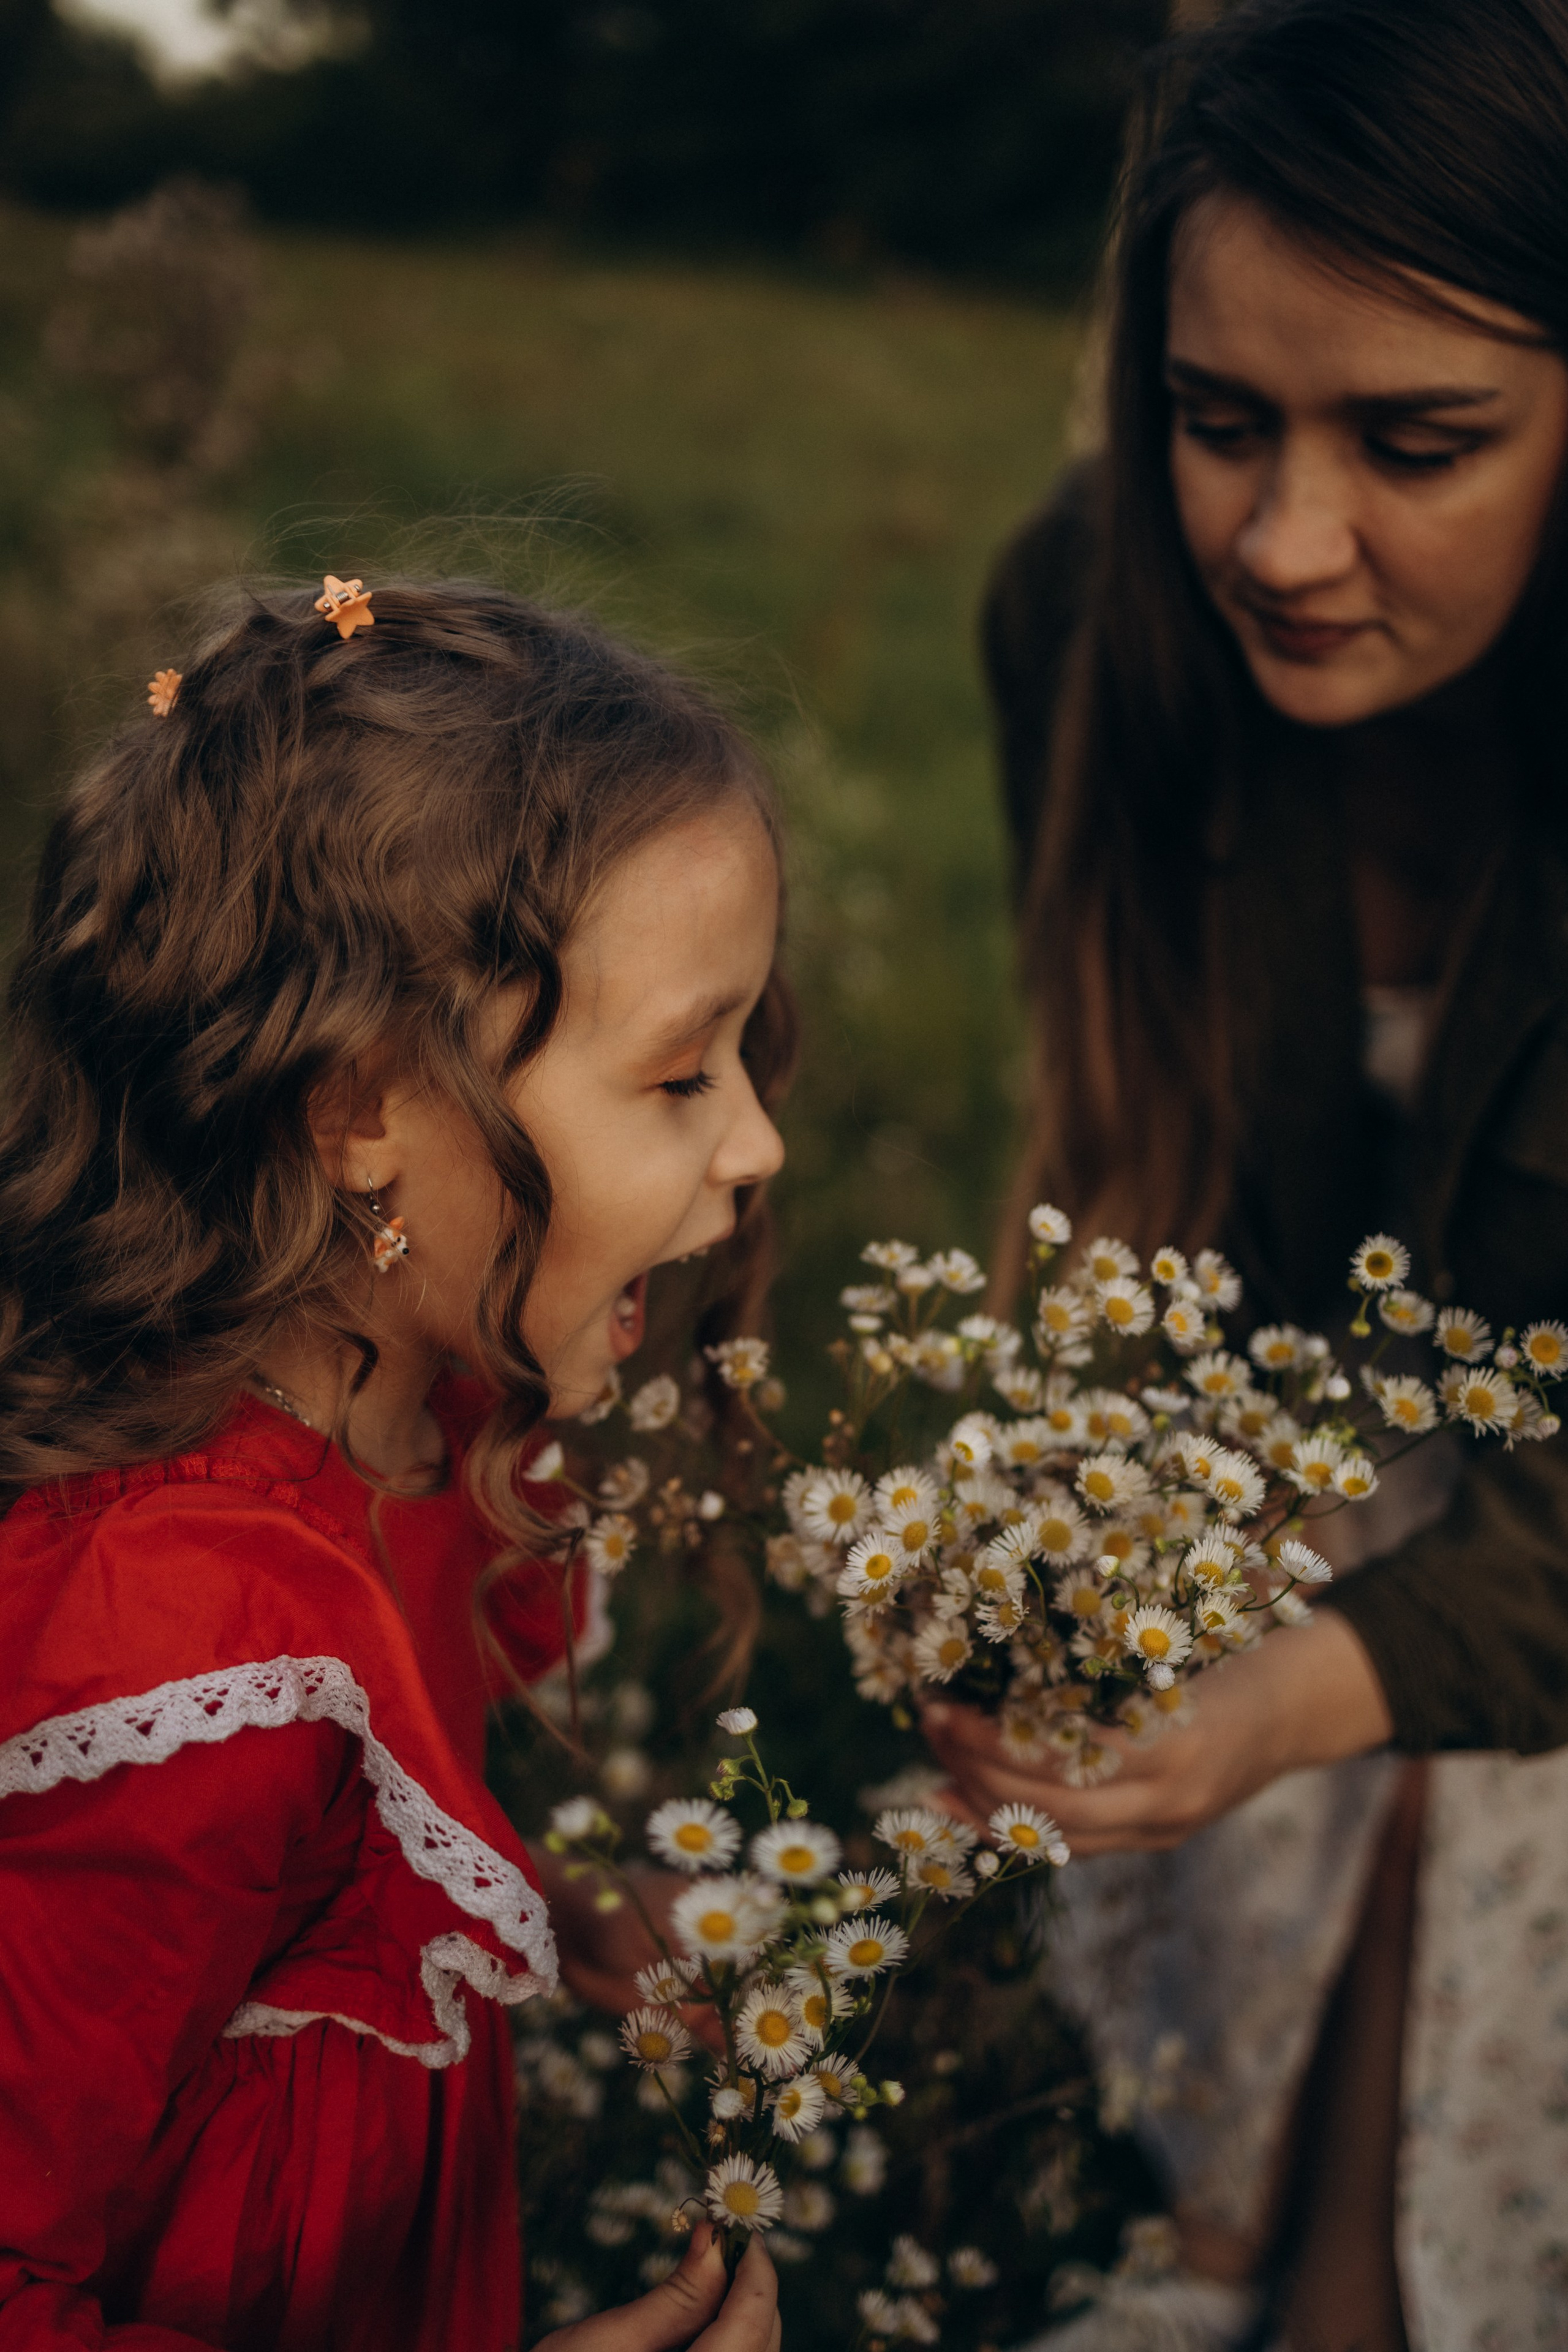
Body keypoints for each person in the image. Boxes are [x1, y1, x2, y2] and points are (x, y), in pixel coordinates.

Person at [922, 2, 1568, 2346]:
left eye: (1418, 443)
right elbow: (1151, 1192)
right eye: (1217, 423)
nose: (1283, 545)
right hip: (1320, 1425)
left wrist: (1295, 1698)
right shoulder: (1091, 618)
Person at [0, 579, 790, 2351]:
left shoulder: (435, 1434)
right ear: (360, 1110)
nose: (760, 1141)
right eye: (681, 1077)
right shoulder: (187, 1652)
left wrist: (562, 1910)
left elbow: (294, 1893)